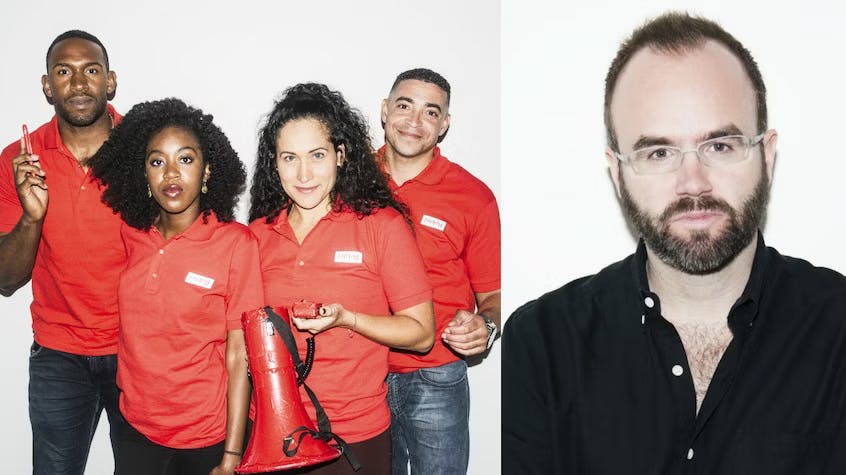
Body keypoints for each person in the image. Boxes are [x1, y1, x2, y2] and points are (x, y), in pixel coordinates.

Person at [502, 11, 846, 474]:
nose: (693, 182)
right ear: (618, 172)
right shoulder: (540, 346)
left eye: (720, 145)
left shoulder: (838, 328)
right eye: (659, 152)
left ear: (765, 154)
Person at [249, 82, 435, 475]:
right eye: (289, 158)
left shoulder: (380, 226)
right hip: (271, 435)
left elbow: (421, 334)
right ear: (274, 162)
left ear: (341, 155)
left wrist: (347, 319)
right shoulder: (258, 234)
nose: (303, 174)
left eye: (317, 155)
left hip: (353, 437)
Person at [88, 98, 262, 475]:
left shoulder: (236, 244)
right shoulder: (131, 234)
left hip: (207, 437)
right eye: (156, 161)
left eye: (185, 159)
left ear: (207, 171)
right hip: (135, 429)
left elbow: (240, 356)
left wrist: (232, 455)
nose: (171, 174)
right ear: (144, 175)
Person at [0, 30, 125, 474]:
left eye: (91, 71)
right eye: (64, 72)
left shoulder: (146, 151)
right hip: (59, 354)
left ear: (110, 82)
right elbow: (6, 280)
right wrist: (32, 216)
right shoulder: (19, 158)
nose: (78, 83)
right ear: (47, 85)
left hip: (139, 350)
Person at [377, 68, 501, 475]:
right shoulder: (348, 182)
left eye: (431, 112)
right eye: (404, 105)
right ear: (384, 110)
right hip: (362, 376)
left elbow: (493, 295)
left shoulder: (473, 196)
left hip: (438, 374)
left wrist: (486, 324)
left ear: (444, 125)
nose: (415, 121)